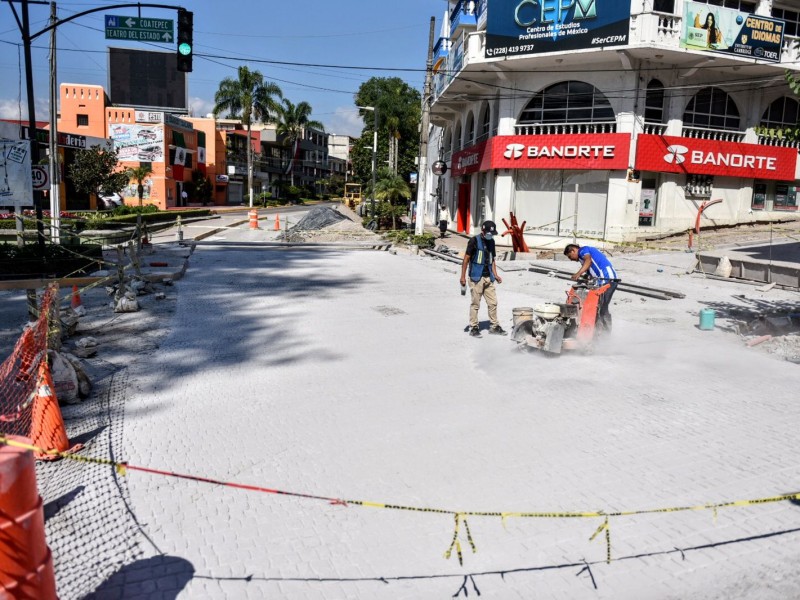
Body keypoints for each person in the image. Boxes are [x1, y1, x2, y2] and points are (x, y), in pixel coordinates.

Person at [460, 220, 506, 337]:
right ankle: (474, 327)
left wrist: (495, 275)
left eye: (492, 234)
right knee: (475, 304)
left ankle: (494, 326)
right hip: (476, 278)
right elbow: (466, 259)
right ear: (483, 231)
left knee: (493, 303)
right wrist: (463, 277)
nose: (491, 236)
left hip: (488, 278)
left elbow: (492, 260)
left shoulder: (492, 242)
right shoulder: (474, 241)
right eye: (489, 233)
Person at [563, 243, 619, 331]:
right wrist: (586, 276)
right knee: (598, 308)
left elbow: (588, 261)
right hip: (602, 280)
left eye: (570, 256)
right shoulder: (582, 259)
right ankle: (597, 332)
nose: (571, 260)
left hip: (607, 278)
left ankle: (605, 334)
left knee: (602, 309)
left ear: (573, 251)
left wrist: (578, 273)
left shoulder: (583, 250)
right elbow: (591, 268)